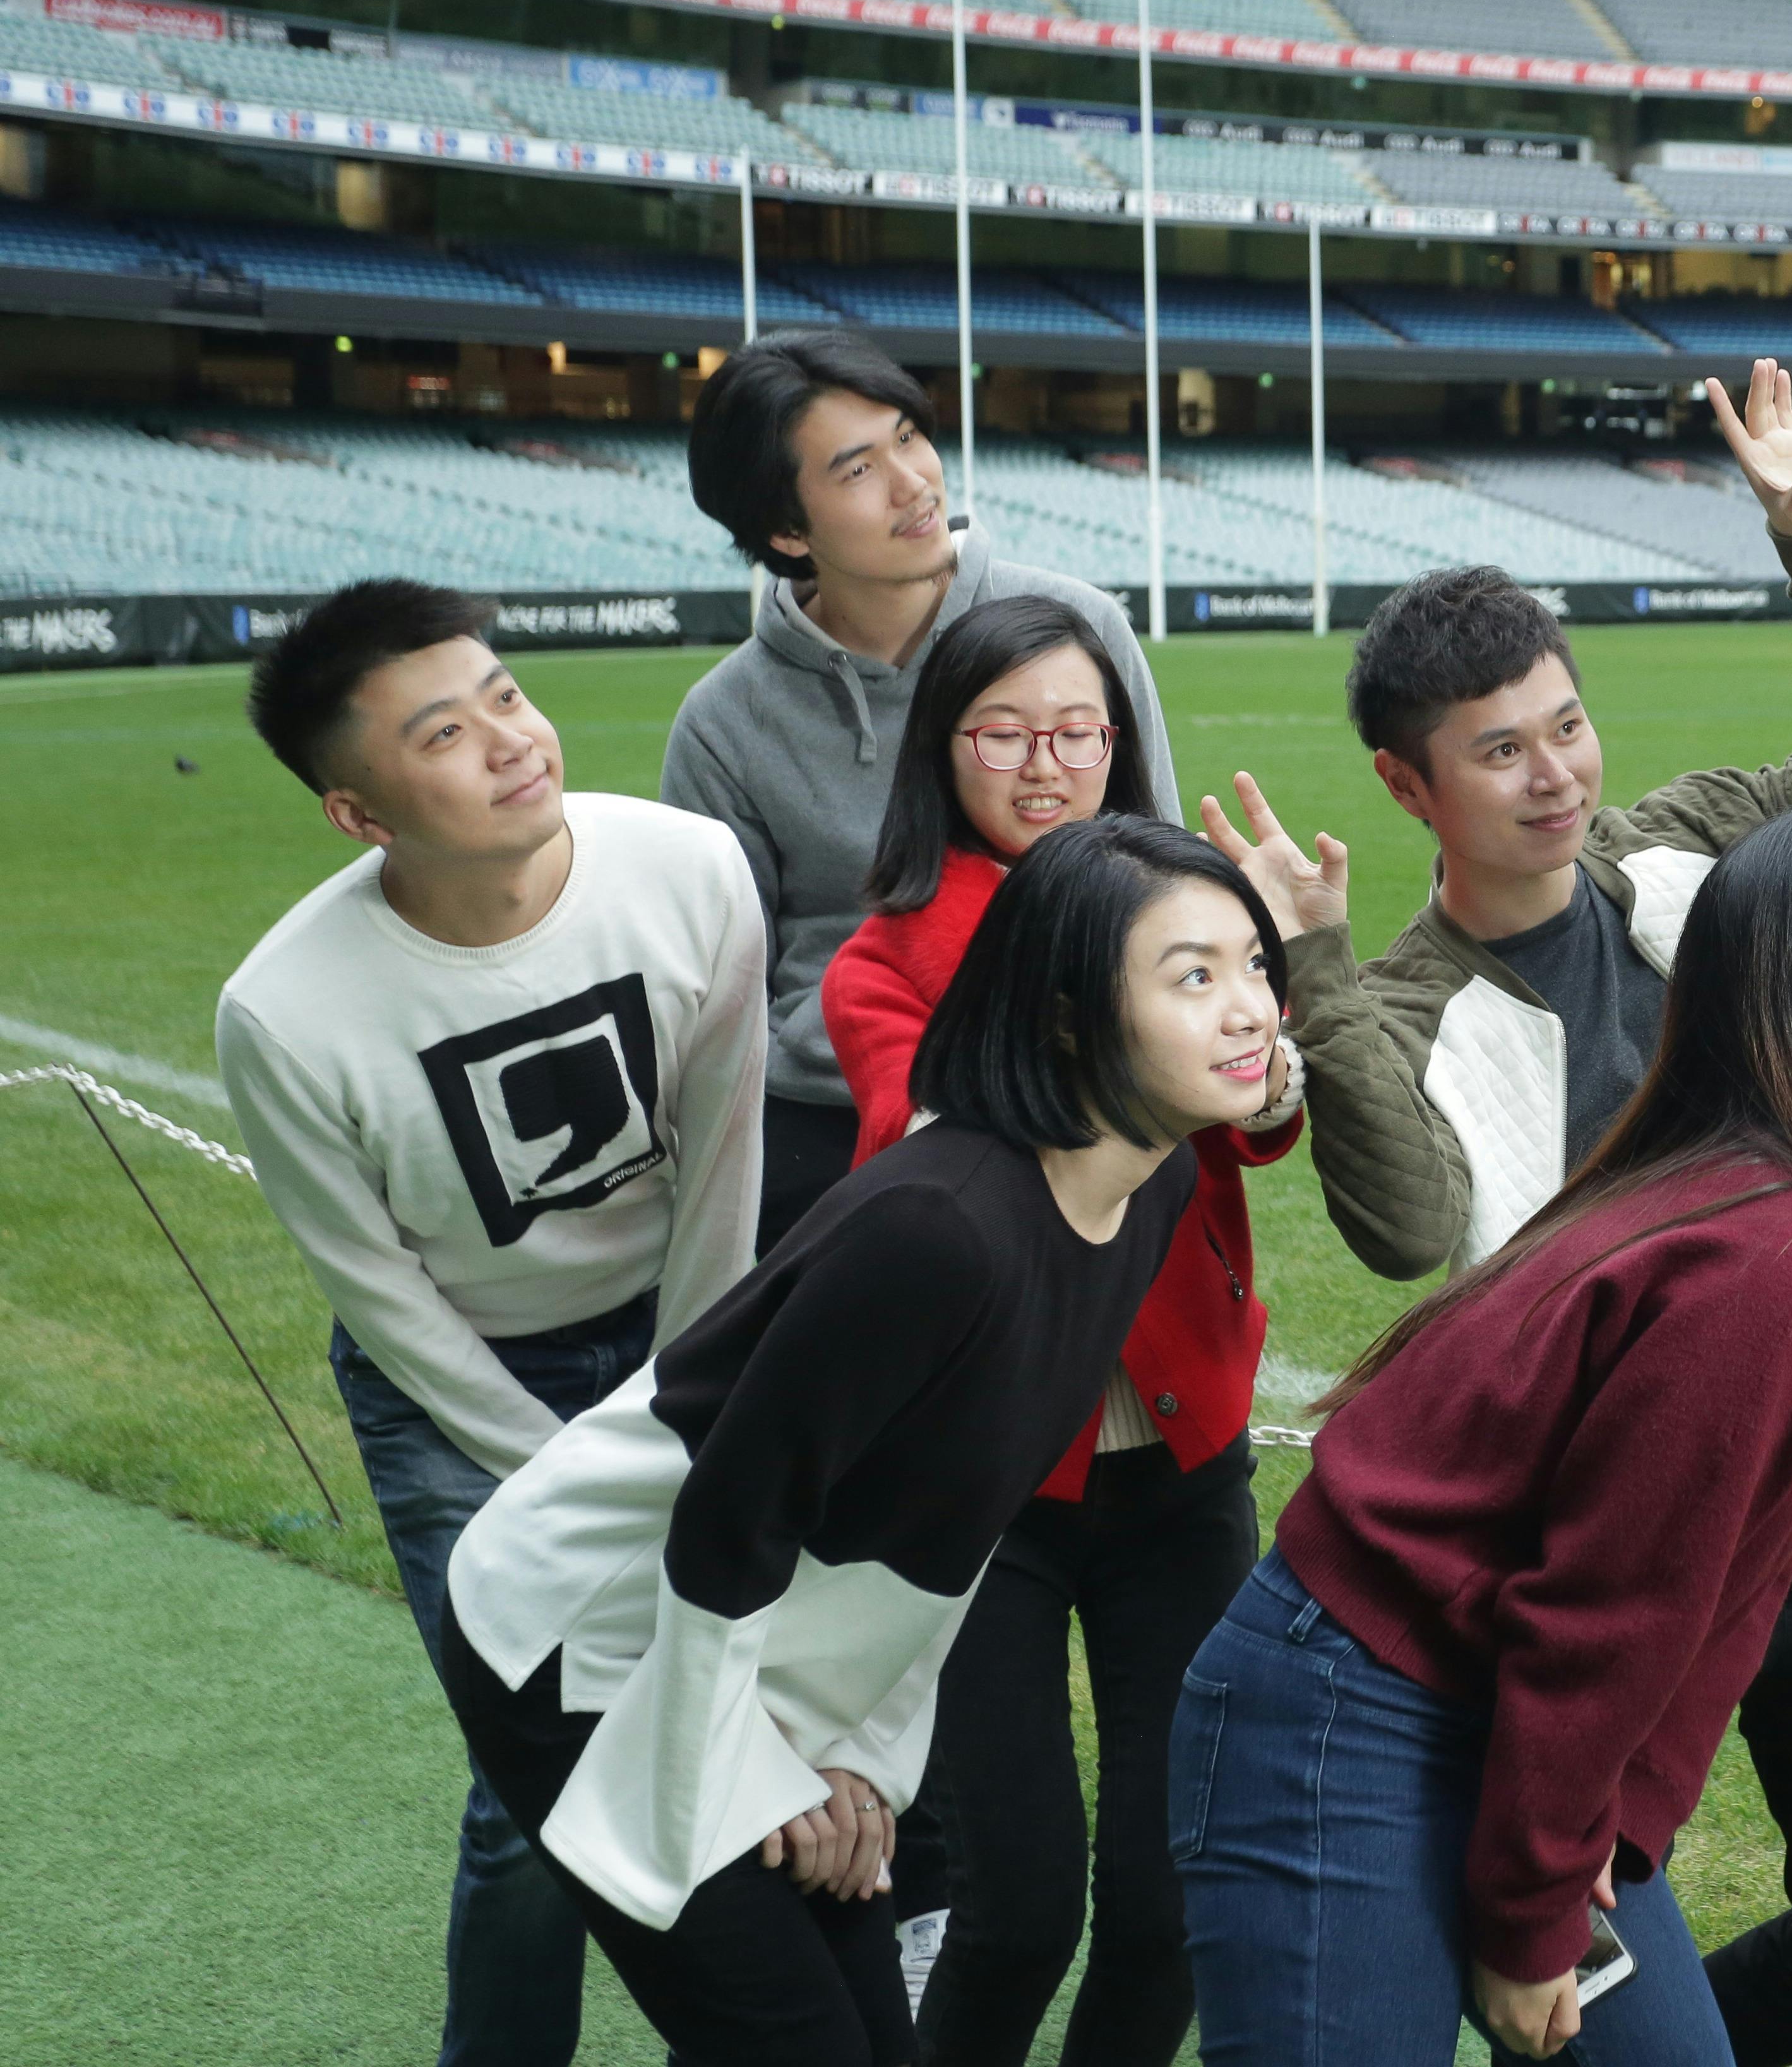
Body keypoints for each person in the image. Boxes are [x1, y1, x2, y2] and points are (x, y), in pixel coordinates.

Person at [1207, 359, 1792, 2063]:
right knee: (1577, 1888)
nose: (1553, 774)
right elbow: (1407, 1231)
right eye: (1499, 751)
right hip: (1598, 1523)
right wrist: (1324, 979)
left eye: (1564, 724)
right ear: (1414, 790)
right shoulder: (1397, 1006)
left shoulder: (1691, 849)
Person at [1174, 801, 1792, 2066]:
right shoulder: (1772, 1257)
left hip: (1490, 1715)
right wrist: (1534, 1923)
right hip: (1346, 1707)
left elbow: (1707, 1616)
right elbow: (1611, 1619)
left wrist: (1601, 1857)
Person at [436, 816, 1293, 2067]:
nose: (1252, 1010)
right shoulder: (939, 1233)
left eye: (1256, 964)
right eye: (1194, 977)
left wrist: (854, 1761)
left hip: (750, 1638)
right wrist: (755, 1770)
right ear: (1065, 1016)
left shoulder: (1149, 1187)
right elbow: (730, 1521)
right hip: (585, 1639)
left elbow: (944, 1528)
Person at [215, 578, 768, 2067]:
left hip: (682, 1333)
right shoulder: (284, 1011)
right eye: (444, 734)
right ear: (358, 811)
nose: (512, 741)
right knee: (532, 1790)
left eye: (505, 695)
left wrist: (684, 1408)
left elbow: (724, 1167)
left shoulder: (693, 870)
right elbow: (378, 1291)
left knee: (734, 1701)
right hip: (458, 1389)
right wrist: (562, 1464)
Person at [818, 595, 1303, 2066]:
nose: (1047, 763)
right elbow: (934, 1158)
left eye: (1080, 730)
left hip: (1182, 1471)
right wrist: (1164, 1014)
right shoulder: (885, 957)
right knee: (1019, 1906)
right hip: (987, 1492)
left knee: (1174, 1906)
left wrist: (1271, 1004)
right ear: (940, 747)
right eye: (1004, 732)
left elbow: (1264, 1126)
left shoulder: (1190, 910)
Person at [662, 326, 1176, 1261]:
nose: (914, 483)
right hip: (837, 1136)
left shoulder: (1078, 628)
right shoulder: (724, 721)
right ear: (786, 530)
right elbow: (724, 999)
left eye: (908, 436)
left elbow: (1156, 863)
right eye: (858, 469)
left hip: (1081, 1092)